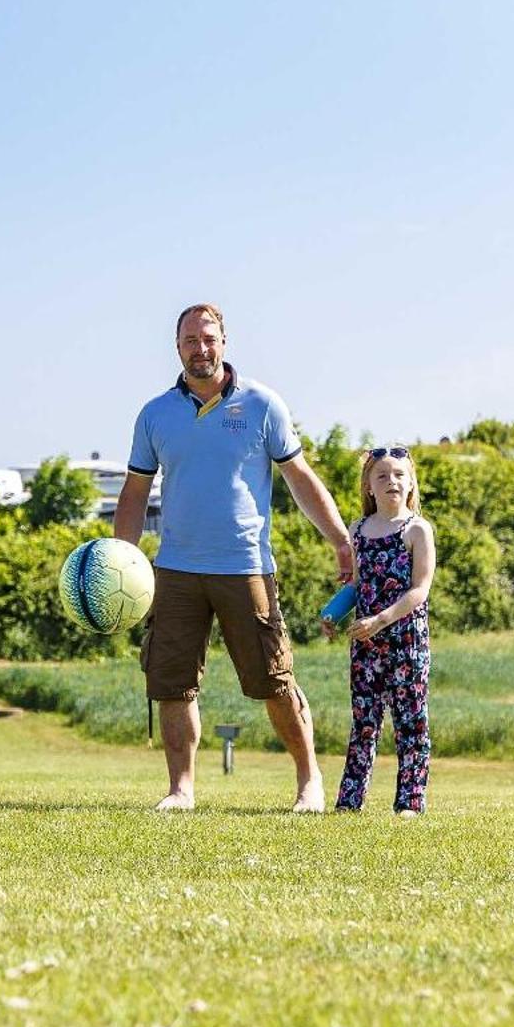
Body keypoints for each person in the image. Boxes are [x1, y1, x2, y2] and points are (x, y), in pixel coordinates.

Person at [112, 303, 354, 813]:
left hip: (246, 566)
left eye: (208, 338)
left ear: (224, 341)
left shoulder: (263, 405)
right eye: (190, 341)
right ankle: (181, 790)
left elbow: (300, 478)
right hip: (175, 569)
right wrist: (122, 557)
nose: (200, 349)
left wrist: (339, 539)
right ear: (177, 347)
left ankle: (309, 781)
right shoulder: (155, 414)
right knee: (172, 682)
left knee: (273, 677)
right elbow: (135, 492)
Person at [324, 446, 434, 815]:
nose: (392, 482)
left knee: (410, 723)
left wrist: (381, 620)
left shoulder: (417, 530)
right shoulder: (358, 530)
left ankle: (410, 803)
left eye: (400, 475)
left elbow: (419, 590)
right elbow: (358, 585)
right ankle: (349, 802)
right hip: (366, 645)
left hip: (407, 643)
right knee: (364, 724)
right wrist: (334, 613)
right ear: (369, 486)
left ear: (411, 483)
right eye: (383, 476)